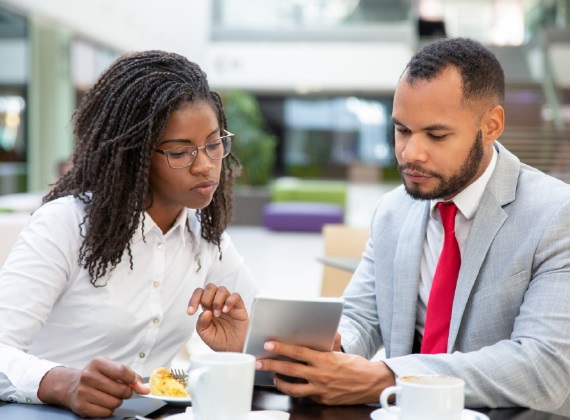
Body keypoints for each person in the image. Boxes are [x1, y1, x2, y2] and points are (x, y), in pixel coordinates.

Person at [256, 37, 570, 415]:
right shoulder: (393, 212)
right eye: (402, 130)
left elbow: (545, 367)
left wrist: (387, 377)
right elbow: (360, 319)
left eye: (436, 135)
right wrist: (324, 352)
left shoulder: (556, 214)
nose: (410, 153)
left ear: (491, 126)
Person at [0, 50, 261, 418]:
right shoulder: (65, 225)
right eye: (180, 152)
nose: (205, 165)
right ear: (133, 155)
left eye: (214, 144)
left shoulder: (207, 238)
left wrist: (242, 348)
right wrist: (65, 383)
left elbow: (263, 336)